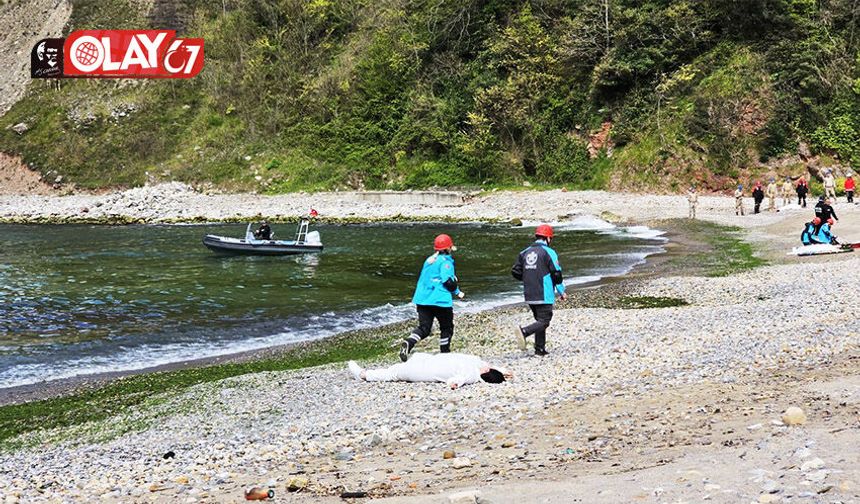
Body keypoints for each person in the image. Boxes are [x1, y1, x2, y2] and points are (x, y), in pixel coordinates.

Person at [400, 234, 464, 361]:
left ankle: (409, 342)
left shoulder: (429, 260)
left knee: (424, 328)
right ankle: (445, 355)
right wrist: (457, 291)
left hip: (422, 300)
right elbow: (447, 282)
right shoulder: (446, 263)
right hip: (440, 301)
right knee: (446, 328)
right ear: (449, 248)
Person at [511, 224, 565, 356]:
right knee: (544, 320)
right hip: (544, 292)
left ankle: (539, 349)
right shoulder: (549, 252)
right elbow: (556, 274)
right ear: (548, 238)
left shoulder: (524, 252)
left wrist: (529, 279)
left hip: (529, 292)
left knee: (539, 321)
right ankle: (524, 332)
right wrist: (561, 290)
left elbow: (515, 272)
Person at [347, 353, 512, 389]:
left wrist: (454, 384)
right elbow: (489, 366)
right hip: (427, 360)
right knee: (397, 370)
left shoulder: (471, 374)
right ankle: (364, 374)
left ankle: (363, 375)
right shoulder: (477, 366)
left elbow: (458, 380)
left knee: (393, 373)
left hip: (419, 369)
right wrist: (503, 371)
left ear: (485, 372)